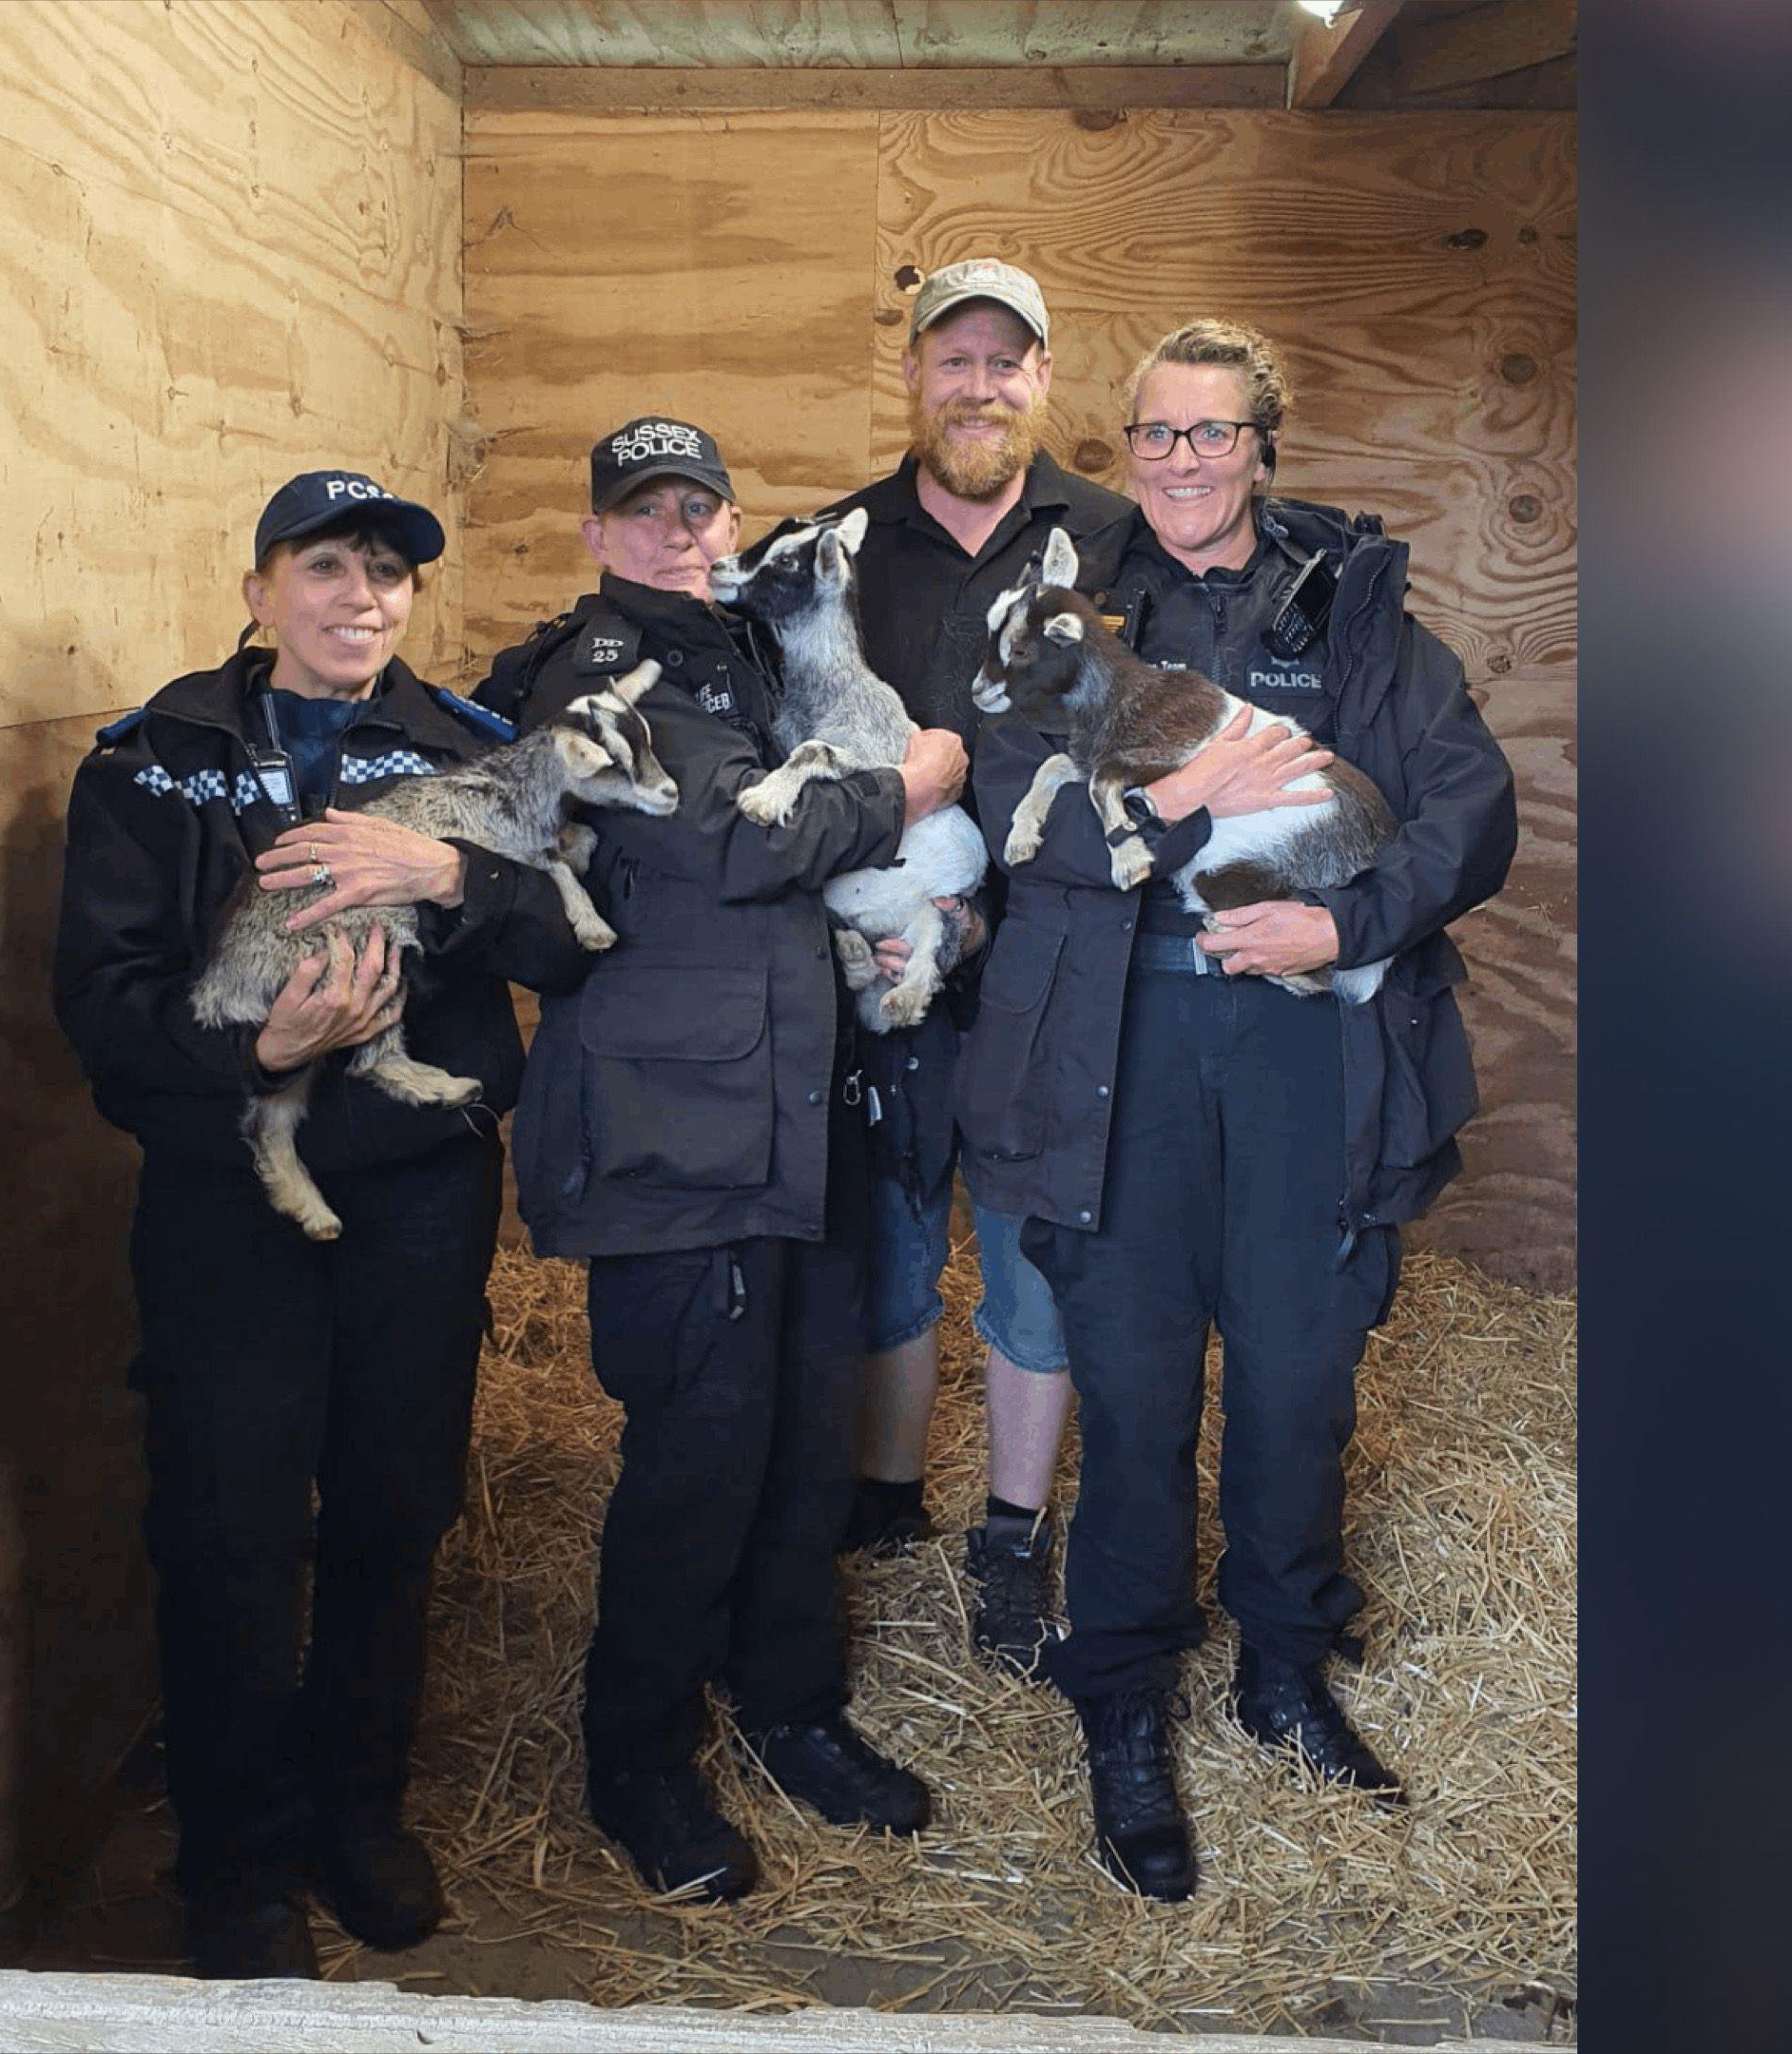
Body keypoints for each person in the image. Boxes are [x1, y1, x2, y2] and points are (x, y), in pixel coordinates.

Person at [956, 320, 1517, 1900]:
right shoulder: (1066, 599)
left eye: (1212, 435)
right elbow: (1008, 802)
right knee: (1133, 1382)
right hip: (1117, 1047)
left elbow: (1467, 807)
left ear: (1264, 446)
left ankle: (1284, 1661)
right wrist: (1167, 802)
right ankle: (1124, 1690)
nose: (1182, 461)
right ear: (1126, 447)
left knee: (1294, 1373)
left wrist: (1346, 925)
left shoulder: (1351, 610)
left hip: (1296, 1043)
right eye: (1156, 434)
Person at [51, 470, 596, 1979]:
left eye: (392, 576)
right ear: (258, 591)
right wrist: (259, 1055)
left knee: (389, 1513)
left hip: (418, 1201)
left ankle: (361, 1817)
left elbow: (571, 934)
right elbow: (100, 1007)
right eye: (329, 569)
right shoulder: (155, 763)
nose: (365, 599)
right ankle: (237, 1861)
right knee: (227, 1534)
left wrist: (453, 872)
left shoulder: (472, 751)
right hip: (229, 1200)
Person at [792, 260, 1333, 1684]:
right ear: (914, 374)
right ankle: (885, 1494)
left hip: (1071, 956)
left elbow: (1151, 739)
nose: (979, 386)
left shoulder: (1113, 540)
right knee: (891, 1235)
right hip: (887, 947)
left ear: (1045, 380)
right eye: (952, 360)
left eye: (1006, 363)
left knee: (1039, 1260)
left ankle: (1015, 1534)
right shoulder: (835, 547)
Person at [482, 417, 972, 1902]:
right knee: (696, 1460)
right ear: (598, 534)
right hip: (672, 1133)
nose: (681, 534)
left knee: (801, 1442)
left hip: (792, 1115)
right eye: (646, 513)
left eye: (701, 508)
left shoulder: (748, 656)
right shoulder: (597, 675)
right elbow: (722, 842)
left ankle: (790, 1708)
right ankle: (637, 1760)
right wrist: (913, 789)